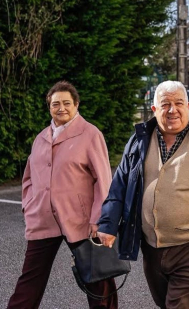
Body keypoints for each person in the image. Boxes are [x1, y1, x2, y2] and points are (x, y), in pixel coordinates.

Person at [97, 80, 189, 308]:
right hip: (151, 247)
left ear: (188, 106)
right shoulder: (138, 141)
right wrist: (108, 224)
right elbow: (119, 186)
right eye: (165, 104)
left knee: (179, 304)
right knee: (164, 303)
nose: (172, 110)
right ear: (154, 109)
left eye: (178, 103)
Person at [8, 81, 117, 309]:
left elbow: (103, 179)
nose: (61, 108)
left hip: (81, 221)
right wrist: (29, 205)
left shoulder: (90, 134)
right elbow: (28, 177)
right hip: (43, 219)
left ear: (76, 104)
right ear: (49, 107)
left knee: (98, 279)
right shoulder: (41, 138)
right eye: (55, 104)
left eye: (67, 103)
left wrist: (100, 219)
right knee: (30, 278)